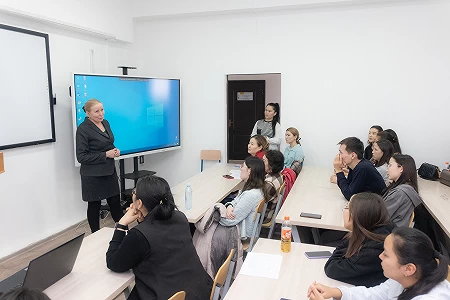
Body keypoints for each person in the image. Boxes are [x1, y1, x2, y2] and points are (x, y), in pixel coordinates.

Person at [106, 175, 213, 300]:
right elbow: (159, 240)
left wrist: (122, 224)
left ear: (139, 203)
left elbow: (114, 263)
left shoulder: (139, 235)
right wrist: (143, 219)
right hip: (201, 292)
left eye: (133, 193)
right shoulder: (180, 217)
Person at [308, 227, 450, 300]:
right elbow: (377, 295)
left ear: (409, 269)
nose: (380, 256)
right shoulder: (408, 278)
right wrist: (336, 292)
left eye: (386, 254)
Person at [324, 192, 394, 287]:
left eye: (347, 208)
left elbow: (331, 268)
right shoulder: (384, 229)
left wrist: (352, 237)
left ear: (356, 215)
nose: (345, 211)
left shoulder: (371, 251)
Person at [75, 99, 123, 233]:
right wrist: (105, 155)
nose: (101, 114)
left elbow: (107, 143)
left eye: (102, 110)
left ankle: (123, 232)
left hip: (109, 172)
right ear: (88, 113)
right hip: (92, 175)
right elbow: (81, 157)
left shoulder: (105, 123)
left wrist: (114, 150)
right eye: (97, 111)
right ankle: (95, 235)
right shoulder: (83, 129)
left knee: (115, 204)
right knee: (94, 205)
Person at [220, 156, 266, 237]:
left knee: (203, 226)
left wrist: (215, 216)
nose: (240, 169)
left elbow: (229, 221)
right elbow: (235, 200)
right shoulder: (253, 188)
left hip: (239, 234)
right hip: (238, 227)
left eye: (243, 166)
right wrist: (229, 206)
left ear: (249, 171)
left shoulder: (251, 195)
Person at [383, 154, 422, 228]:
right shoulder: (407, 187)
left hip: (389, 232)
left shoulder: (399, 193)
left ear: (401, 168)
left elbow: (381, 217)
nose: (387, 169)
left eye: (390, 165)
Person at [262, 150, 284, 223]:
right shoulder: (278, 175)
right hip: (267, 212)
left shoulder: (270, 183)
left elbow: (256, 202)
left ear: (271, 164)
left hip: (263, 216)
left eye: (264, 161)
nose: (262, 163)